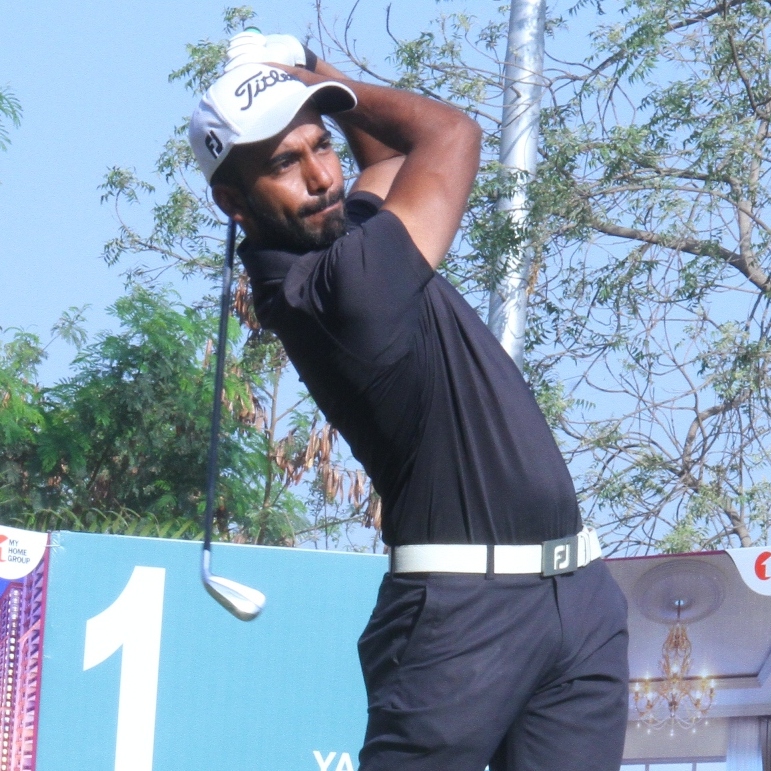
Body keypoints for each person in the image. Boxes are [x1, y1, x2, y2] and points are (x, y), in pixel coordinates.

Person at [189, 30, 629, 771]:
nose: (322, 177)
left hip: (577, 595)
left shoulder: (344, 238)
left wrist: (311, 79)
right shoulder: (335, 289)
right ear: (233, 202)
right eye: (285, 164)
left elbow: (386, 162)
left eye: (321, 146)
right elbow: (448, 136)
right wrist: (312, 76)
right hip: (461, 613)